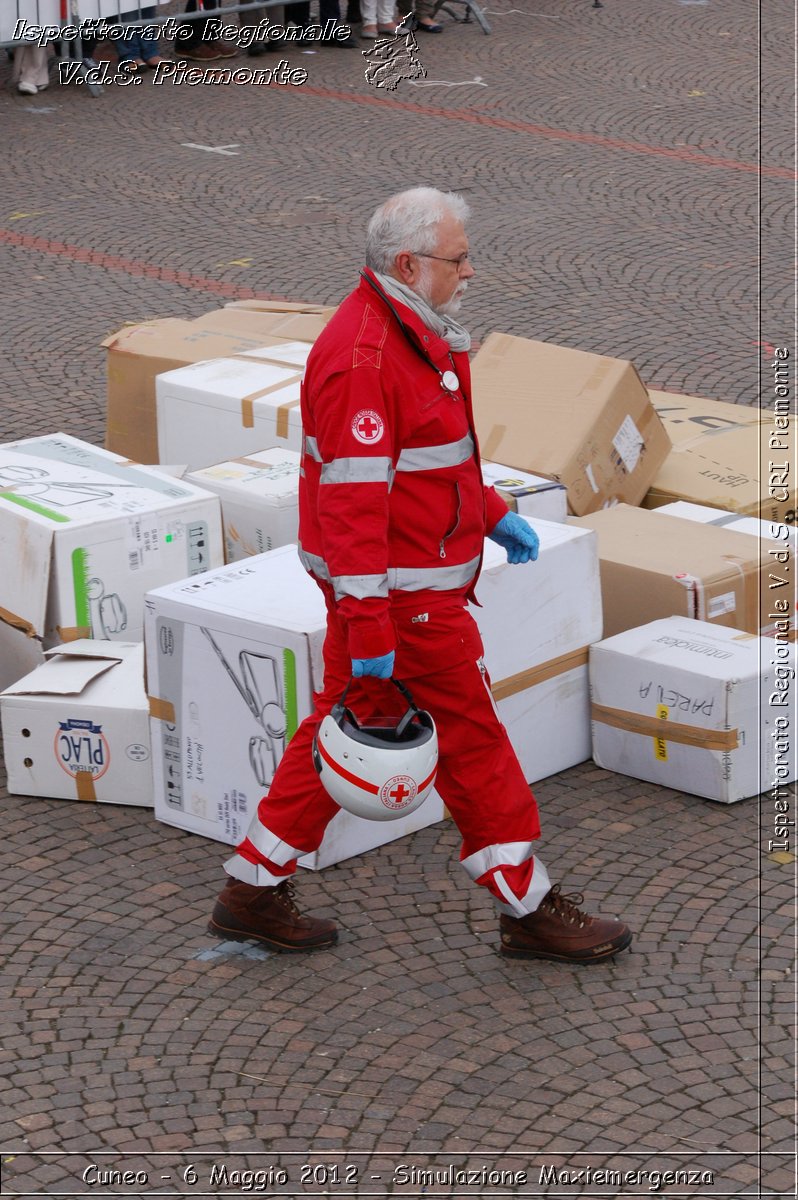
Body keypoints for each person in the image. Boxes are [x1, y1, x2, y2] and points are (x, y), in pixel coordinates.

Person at [209, 187, 633, 966]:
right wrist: (371, 623)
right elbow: (356, 508)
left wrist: (485, 509)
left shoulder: (403, 333)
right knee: (474, 745)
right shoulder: (369, 358)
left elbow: (427, 462)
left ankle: (251, 888)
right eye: (458, 257)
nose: (471, 270)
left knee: (334, 730)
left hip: (395, 598)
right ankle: (527, 906)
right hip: (406, 605)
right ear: (409, 264)